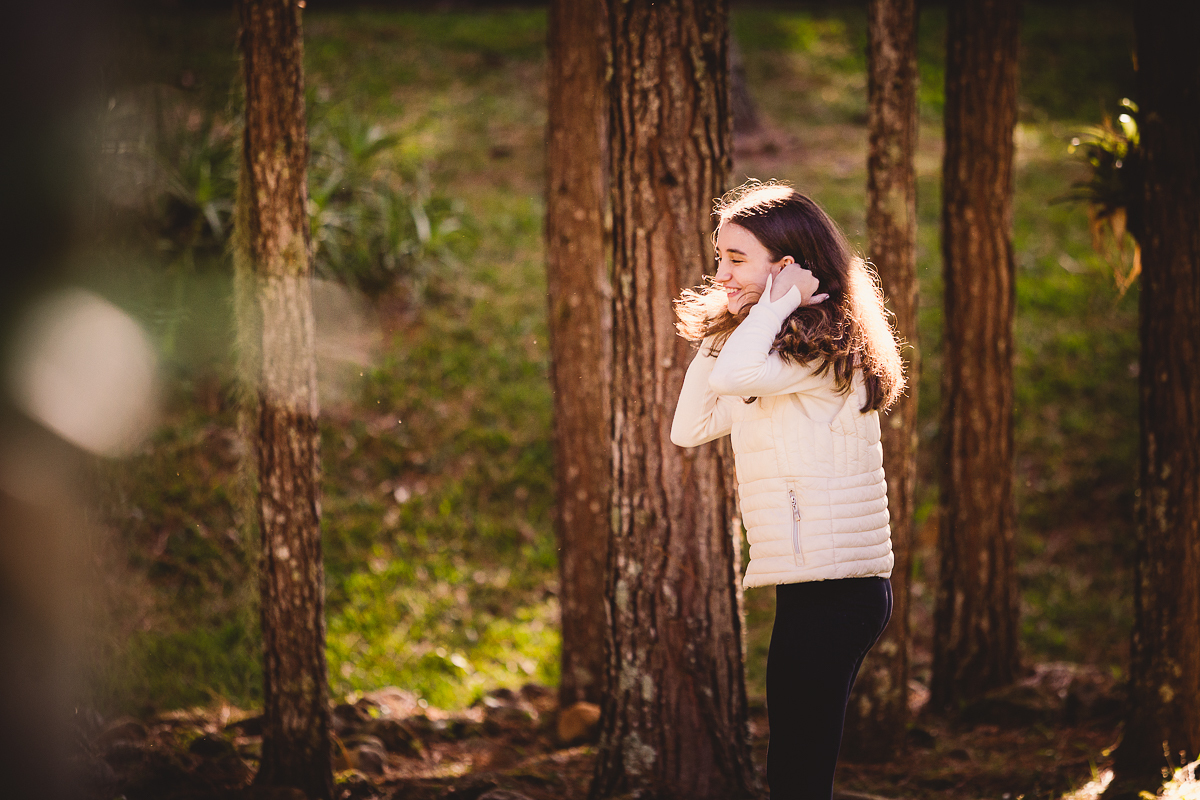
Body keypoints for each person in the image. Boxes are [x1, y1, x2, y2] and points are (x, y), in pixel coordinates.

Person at [671, 181, 904, 800]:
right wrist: (730, 324)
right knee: (795, 770)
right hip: (813, 584)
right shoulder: (771, 355)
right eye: (719, 257)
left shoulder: (824, 351)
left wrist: (767, 311)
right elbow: (689, 427)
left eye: (736, 259)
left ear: (788, 268)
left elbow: (735, 377)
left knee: (798, 773)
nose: (721, 273)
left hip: (839, 589)